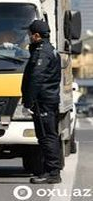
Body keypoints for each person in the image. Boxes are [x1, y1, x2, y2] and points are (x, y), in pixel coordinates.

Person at [21, 19, 62, 184]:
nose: (28, 37)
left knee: (46, 136)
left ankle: (52, 172)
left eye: (30, 34)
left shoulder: (42, 53)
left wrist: (28, 101)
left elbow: (36, 78)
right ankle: (49, 170)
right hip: (48, 98)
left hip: (43, 100)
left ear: (36, 35)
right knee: (48, 135)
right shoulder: (47, 50)